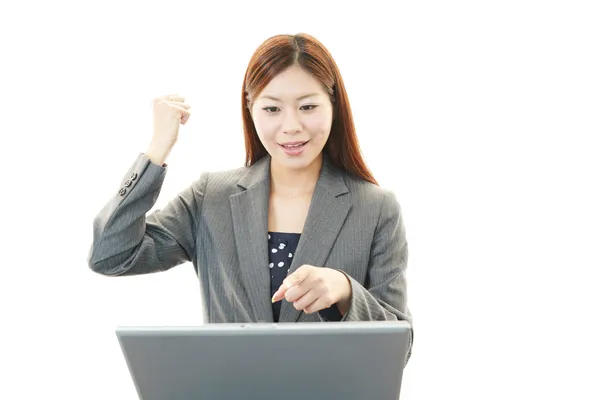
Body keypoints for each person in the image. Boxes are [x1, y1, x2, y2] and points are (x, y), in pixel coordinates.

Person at [88, 32, 413, 360]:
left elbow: (399, 349)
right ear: (250, 108)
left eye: (308, 106)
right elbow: (110, 256)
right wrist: (158, 149)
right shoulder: (211, 198)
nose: (291, 126)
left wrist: (345, 291)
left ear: (333, 106)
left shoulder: (376, 208)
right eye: (272, 109)